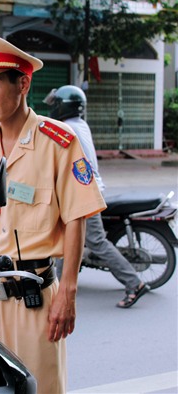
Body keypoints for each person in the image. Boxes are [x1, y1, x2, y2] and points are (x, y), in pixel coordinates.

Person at [0, 33, 106, 393]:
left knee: (41, 388)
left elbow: (77, 217)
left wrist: (67, 293)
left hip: (35, 298)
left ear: (23, 83)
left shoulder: (58, 142)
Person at [45, 85, 150, 308]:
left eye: (55, 103)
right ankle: (57, 287)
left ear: (63, 106)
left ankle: (134, 283)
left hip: (84, 194)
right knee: (65, 240)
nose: (52, 107)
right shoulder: (79, 125)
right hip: (85, 191)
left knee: (97, 241)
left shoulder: (66, 130)